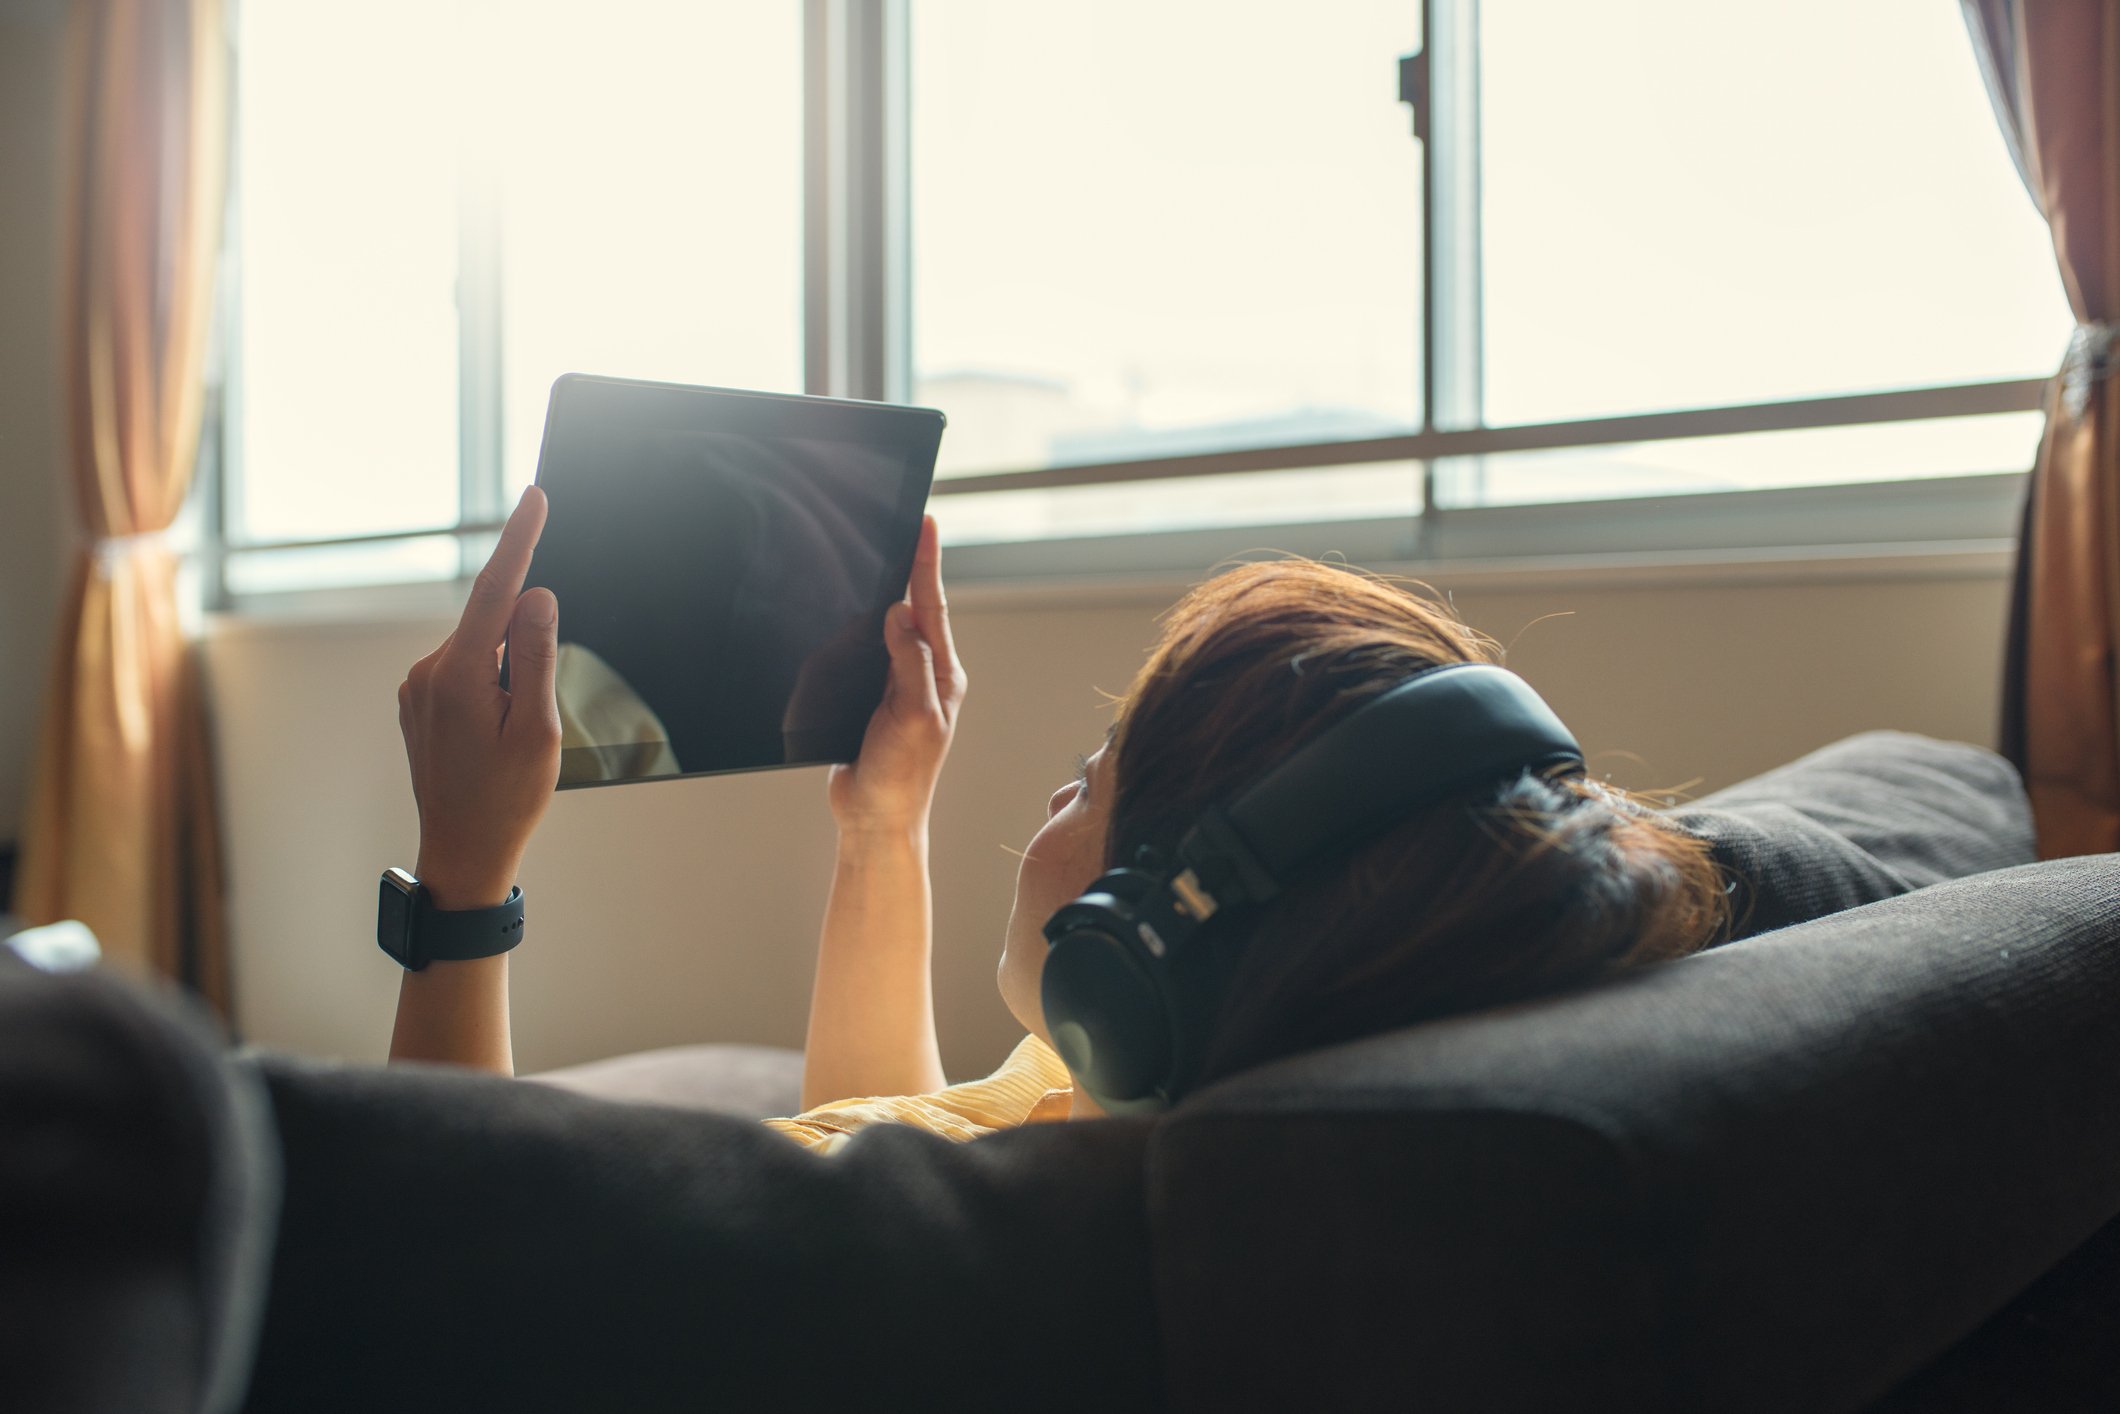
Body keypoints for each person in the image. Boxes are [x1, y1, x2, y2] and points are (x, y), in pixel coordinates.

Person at [388, 486, 1730, 1146]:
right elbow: (886, 1128)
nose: (1052, 791)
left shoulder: (999, 1258)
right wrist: (883, 827)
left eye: (1093, 784)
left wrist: (463, 873)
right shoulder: (1126, 1096)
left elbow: (453, 1269)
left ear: (1139, 944)